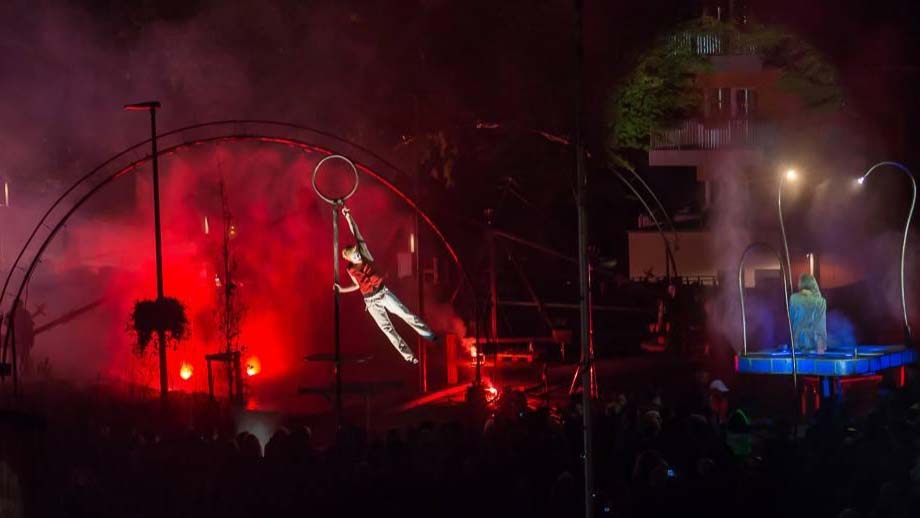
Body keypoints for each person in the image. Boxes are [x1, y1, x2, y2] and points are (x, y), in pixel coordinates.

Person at [335, 206, 436, 364]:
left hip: (383, 294)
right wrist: (342, 290)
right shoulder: (351, 270)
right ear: (350, 259)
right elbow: (357, 286)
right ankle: (409, 356)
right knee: (388, 330)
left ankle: (429, 335)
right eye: (354, 255)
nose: (357, 255)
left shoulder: (365, 254)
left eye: (356, 252)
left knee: (405, 314)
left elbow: (357, 233)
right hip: (371, 302)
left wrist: (348, 217)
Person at [789, 273, 827, 354]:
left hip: (797, 343)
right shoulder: (820, 301)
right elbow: (820, 326)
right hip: (814, 343)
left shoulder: (793, 299)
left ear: (801, 283)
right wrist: (821, 347)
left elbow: (791, 321)